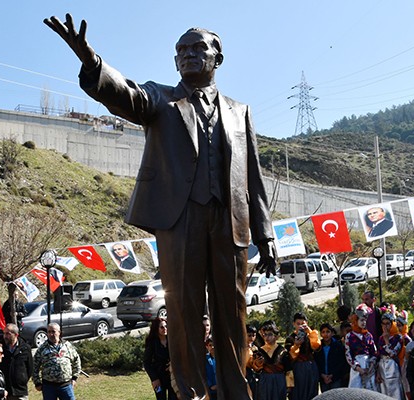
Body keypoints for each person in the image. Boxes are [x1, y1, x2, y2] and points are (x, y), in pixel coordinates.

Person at [44, 15, 277, 400]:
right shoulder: (161, 99)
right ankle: (191, 391)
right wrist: (91, 60)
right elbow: (125, 94)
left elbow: (253, 175)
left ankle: (236, 392)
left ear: (218, 57)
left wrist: (265, 234)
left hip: (230, 221)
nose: (188, 55)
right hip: (180, 218)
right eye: (181, 51)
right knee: (183, 312)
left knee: (232, 314)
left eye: (197, 48)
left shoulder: (240, 111)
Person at [33, 323, 81, 400]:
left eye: (53, 331)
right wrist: (37, 382)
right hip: (49, 387)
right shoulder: (42, 349)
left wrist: (74, 378)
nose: (51, 334)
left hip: (66, 386)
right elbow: (35, 366)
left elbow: (76, 360)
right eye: (48, 332)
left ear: (59, 332)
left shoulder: (67, 346)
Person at [248, 321, 290, 400]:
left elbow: (288, 369)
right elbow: (257, 369)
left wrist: (289, 385)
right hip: (265, 380)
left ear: (276, 336)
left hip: (279, 380)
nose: (267, 337)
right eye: (265, 335)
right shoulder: (260, 350)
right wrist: (257, 364)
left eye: (270, 334)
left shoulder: (283, 351)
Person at [285, 312, 321, 400]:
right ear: (294, 324)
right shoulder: (290, 338)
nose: (300, 326)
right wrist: (296, 345)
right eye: (298, 324)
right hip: (298, 367)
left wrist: (310, 332)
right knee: (298, 392)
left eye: (303, 324)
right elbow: (290, 356)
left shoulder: (311, 335)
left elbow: (316, 347)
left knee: (312, 390)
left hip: (311, 366)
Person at [344, 304, 378, 391]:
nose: (364, 323)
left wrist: (370, 366)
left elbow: (373, 352)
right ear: (355, 321)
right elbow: (348, 354)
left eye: (365, 320)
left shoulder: (368, 335)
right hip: (356, 368)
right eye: (361, 320)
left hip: (368, 367)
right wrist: (358, 368)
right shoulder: (349, 336)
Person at [0, 323, 33, 400]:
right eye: (4, 333)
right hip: (4, 390)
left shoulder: (25, 348)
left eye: (8, 334)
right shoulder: (0, 349)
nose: (5, 336)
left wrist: (22, 379)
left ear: (16, 335)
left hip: (20, 390)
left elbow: (29, 368)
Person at [143, 318, 176, 400]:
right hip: (158, 377)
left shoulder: (171, 340)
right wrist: (154, 379)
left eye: (166, 326)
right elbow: (147, 363)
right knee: (160, 397)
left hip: (172, 376)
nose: (165, 329)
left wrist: (173, 364)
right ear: (156, 329)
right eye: (162, 327)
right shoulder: (152, 343)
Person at [376, 310, 403, 399]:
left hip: (392, 366)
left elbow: (393, 354)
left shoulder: (398, 337)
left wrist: (387, 340)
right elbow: (379, 355)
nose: (385, 326)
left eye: (388, 323)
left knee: (395, 391)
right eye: (383, 324)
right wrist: (378, 372)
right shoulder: (380, 338)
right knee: (384, 391)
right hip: (382, 366)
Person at [315, 323, 347, 393]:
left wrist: (332, 375)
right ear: (320, 334)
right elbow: (317, 362)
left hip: (335, 378)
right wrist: (322, 375)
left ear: (332, 333)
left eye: (328, 331)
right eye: (323, 332)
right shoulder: (318, 347)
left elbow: (341, 362)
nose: (326, 334)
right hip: (323, 379)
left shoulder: (338, 346)